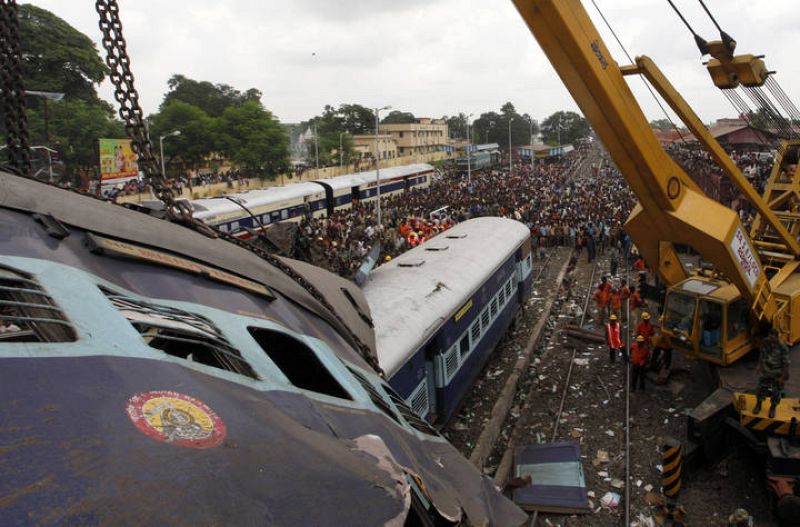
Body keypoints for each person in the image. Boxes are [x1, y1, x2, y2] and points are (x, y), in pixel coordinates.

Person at [753, 327, 790, 418]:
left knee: (776, 392)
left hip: (777, 372)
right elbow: (762, 353)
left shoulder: (783, 348)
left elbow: (786, 364)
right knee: (760, 388)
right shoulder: (765, 342)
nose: (771, 340)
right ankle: (758, 405)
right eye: (770, 338)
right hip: (766, 370)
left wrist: (782, 378)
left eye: (773, 338)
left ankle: (772, 408)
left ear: (777, 337)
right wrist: (759, 365)